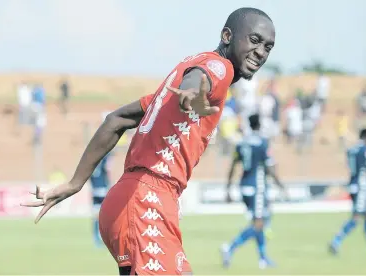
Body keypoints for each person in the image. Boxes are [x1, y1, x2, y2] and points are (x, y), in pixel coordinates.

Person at [21, 7, 276, 275]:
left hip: (131, 197)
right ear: (227, 36)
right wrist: (192, 95)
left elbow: (116, 120)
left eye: (268, 47)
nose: (261, 52)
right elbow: (199, 79)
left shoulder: (172, 84)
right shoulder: (219, 67)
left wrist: (75, 183)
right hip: (147, 199)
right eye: (255, 40)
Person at [221, 114, 286, 269]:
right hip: (257, 187)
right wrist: (280, 185)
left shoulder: (241, 142)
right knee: (259, 223)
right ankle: (229, 248)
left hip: (243, 186)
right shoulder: (262, 142)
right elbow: (269, 167)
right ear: (260, 125)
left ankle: (263, 258)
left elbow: (233, 166)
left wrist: (228, 188)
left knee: (259, 222)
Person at [328, 129, 366, 255]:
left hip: (354, 185)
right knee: (358, 217)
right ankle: (336, 241)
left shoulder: (352, 150)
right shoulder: (365, 150)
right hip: (363, 188)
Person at [90, 153, 112, 247]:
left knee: (96, 216)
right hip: (103, 190)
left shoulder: (91, 163)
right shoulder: (103, 162)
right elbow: (108, 168)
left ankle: (96, 238)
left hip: (95, 191)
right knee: (105, 216)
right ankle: (103, 237)